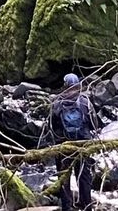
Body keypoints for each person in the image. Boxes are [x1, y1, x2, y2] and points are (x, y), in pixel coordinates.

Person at [49, 73, 99, 211]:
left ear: (64, 86)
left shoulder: (56, 102)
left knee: (64, 176)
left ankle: (67, 207)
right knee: (83, 177)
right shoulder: (85, 101)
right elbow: (94, 123)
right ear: (78, 85)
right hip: (83, 144)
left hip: (63, 146)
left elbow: (51, 126)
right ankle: (87, 206)